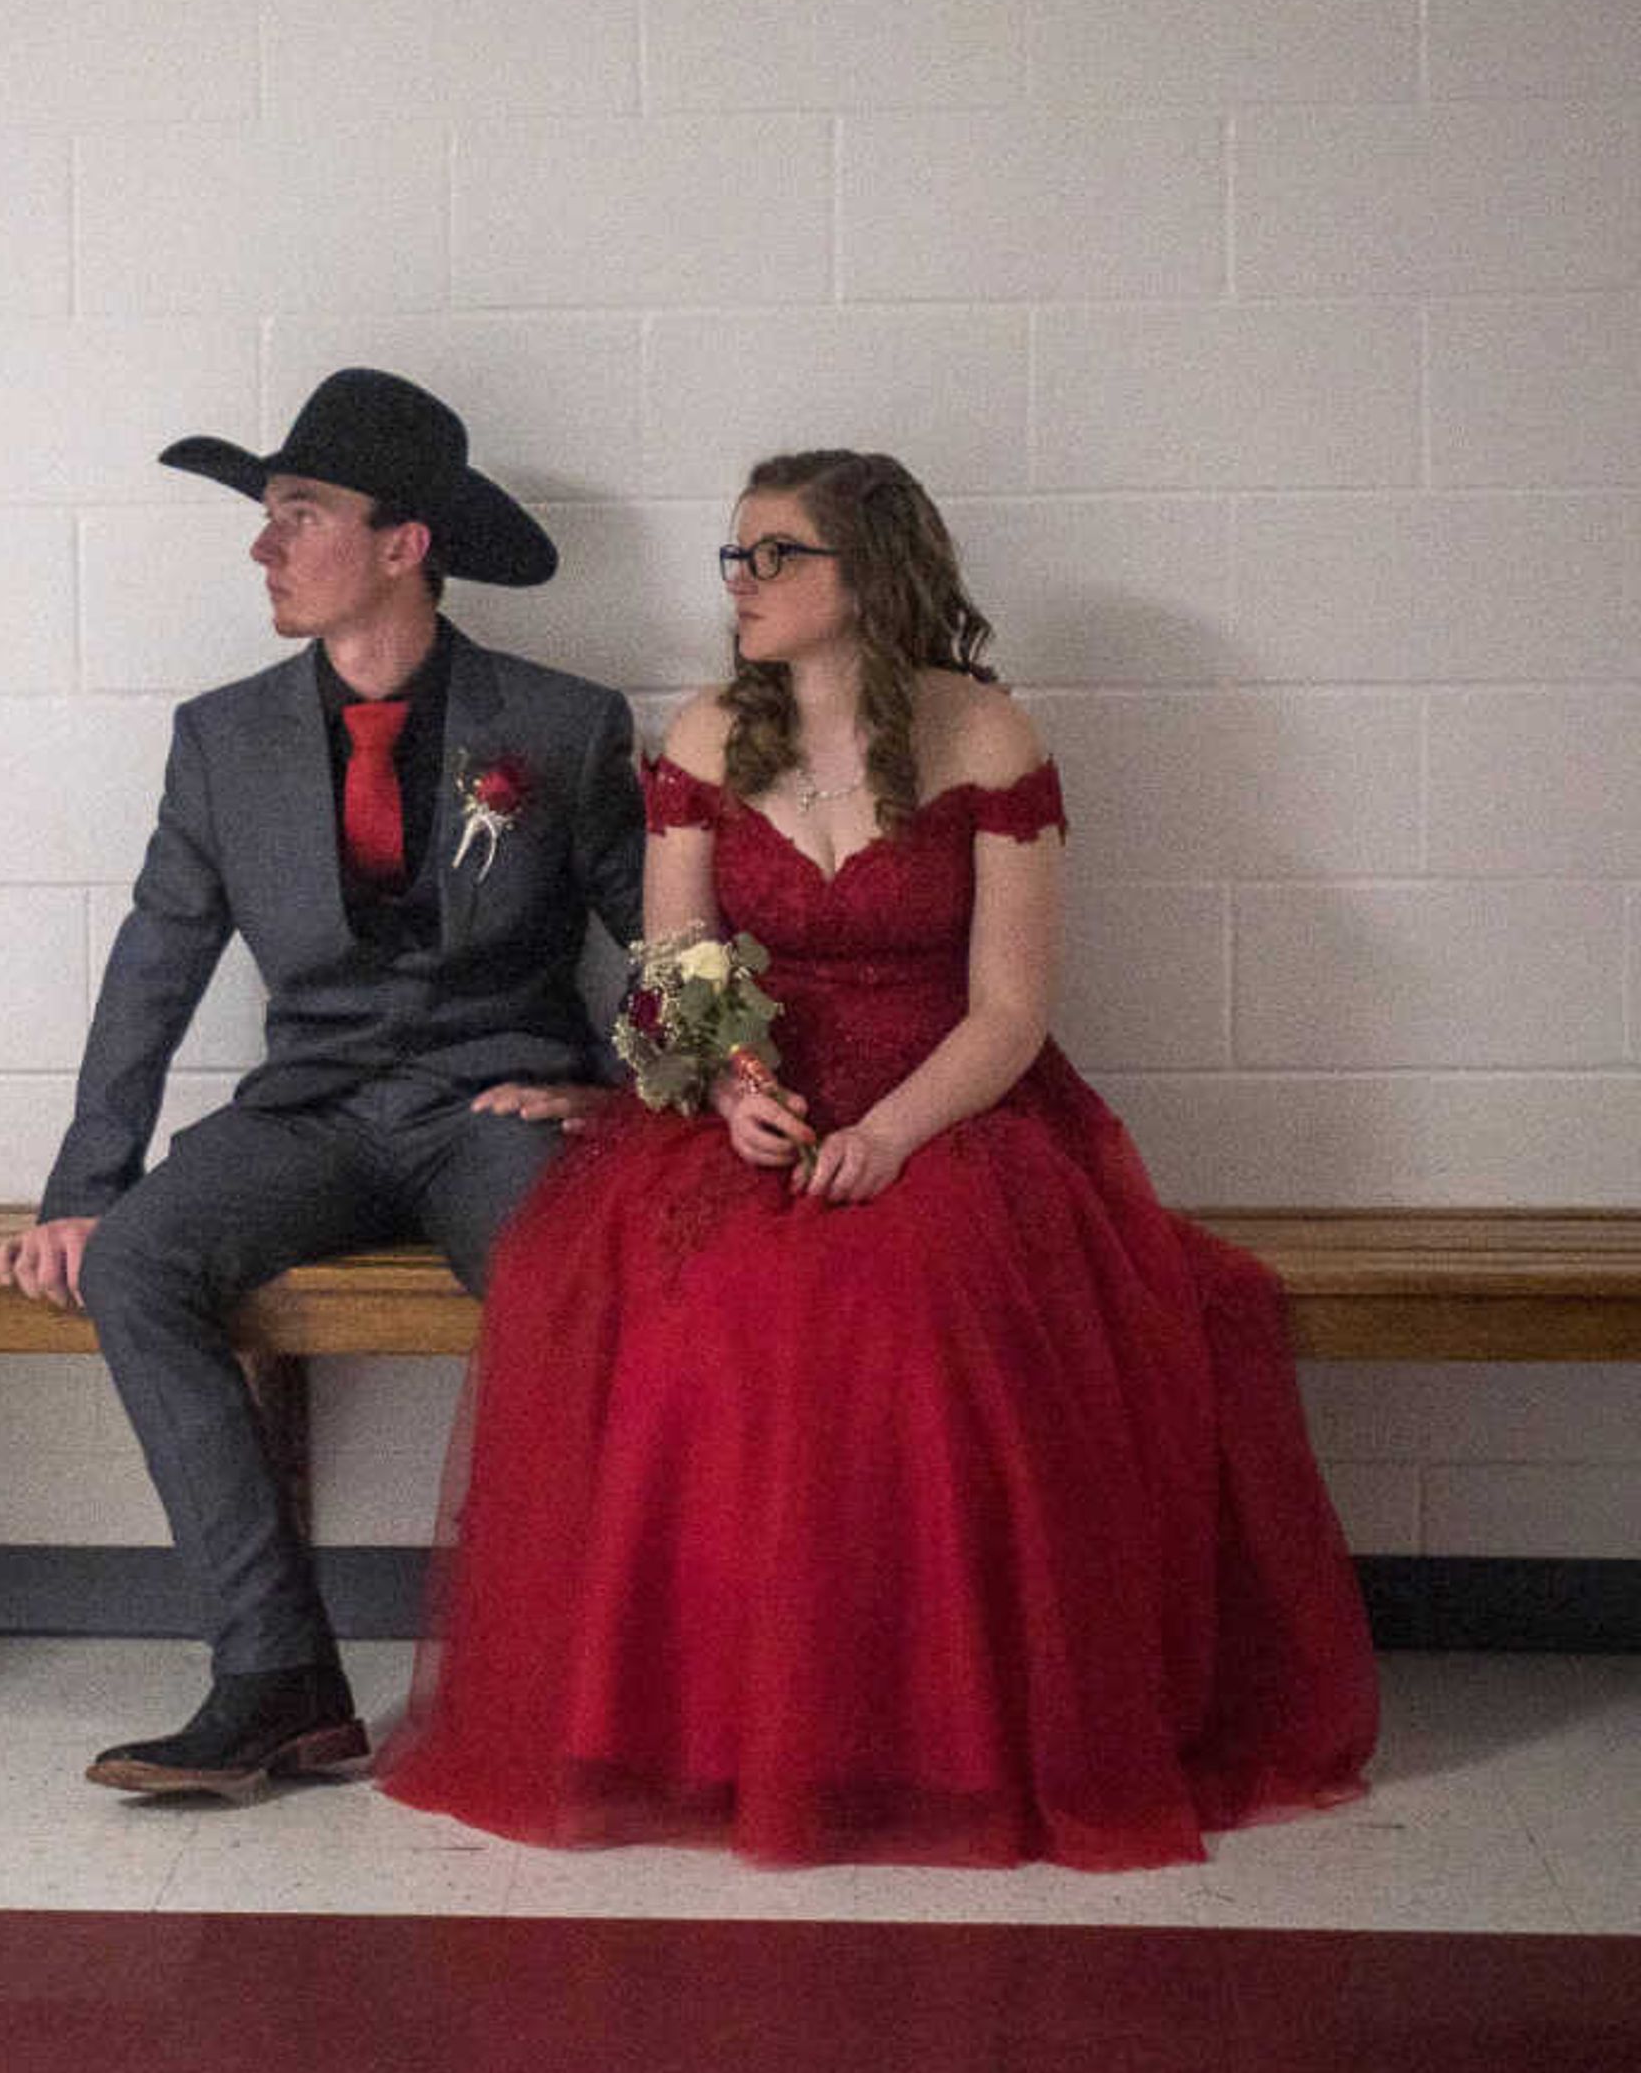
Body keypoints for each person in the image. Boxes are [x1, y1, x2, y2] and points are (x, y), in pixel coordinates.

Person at [373, 451, 1378, 1868]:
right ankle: (699, 1725)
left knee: (914, 1314)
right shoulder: (713, 734)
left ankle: (922, 1737)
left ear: (869, 574)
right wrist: (730, 1087)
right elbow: (668, 970)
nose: (742, 585)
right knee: (685, 1315)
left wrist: (895, 1129)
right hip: (757, 1095)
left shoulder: (986, 734)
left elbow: (1013, 1010)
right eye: (733, 558)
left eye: (775, 556)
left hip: (952, 1103)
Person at [0, 367, 645, 1795]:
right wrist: (86, 1190)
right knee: (141, 1264)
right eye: (268, 513)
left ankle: (584, 1683)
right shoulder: (222, 740)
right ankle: (278, 1676)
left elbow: (669, 937)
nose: (265, 545)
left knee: (570, 1281)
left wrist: (625, 1096)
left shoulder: (561, 723)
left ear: (404, 544)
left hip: (498, 1102)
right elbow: (154, 963)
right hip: (316, 1109)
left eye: (299, 512)